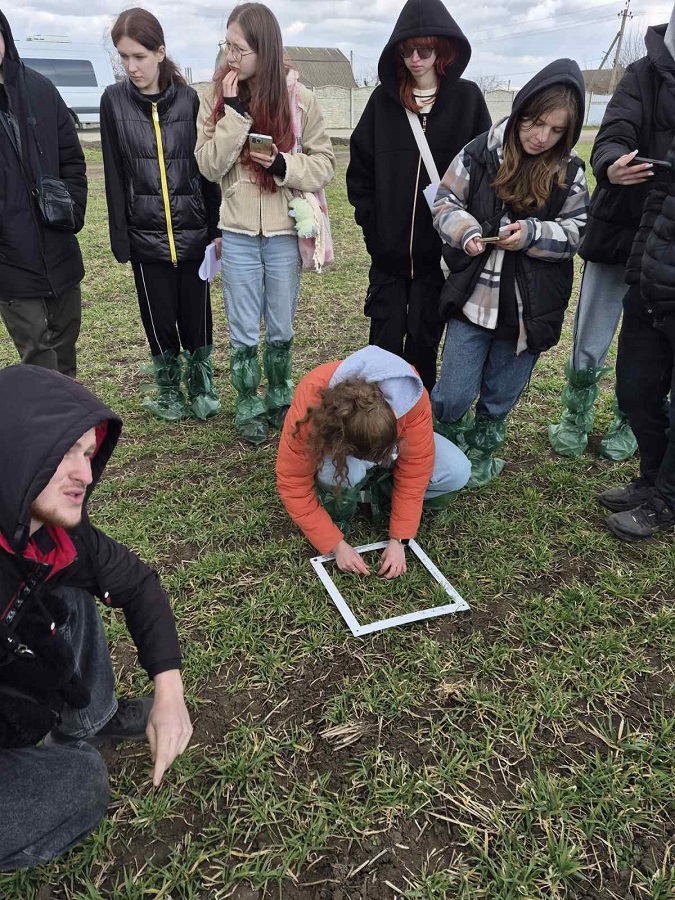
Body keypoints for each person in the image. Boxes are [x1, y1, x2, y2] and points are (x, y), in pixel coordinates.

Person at [0, 365, 193, 870]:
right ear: (15, 449)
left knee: (71, 589)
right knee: (81, 782)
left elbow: (138, 585)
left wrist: (170, 692)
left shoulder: (51, 529)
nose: (86, 475)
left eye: (87, 454)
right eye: (65, 452)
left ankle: (91, 718)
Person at [431, 59, 589, 487]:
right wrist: (466, 231)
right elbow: (444, 202)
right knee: (454, 390)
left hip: (528, 308)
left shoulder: (570, 173)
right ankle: (442, 446)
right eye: (535, 123)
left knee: (502, 389)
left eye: (556, 130)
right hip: (473, 299)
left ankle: (483, 448)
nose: (542, 137)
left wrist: (533, 234)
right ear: (521, 111)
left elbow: (577, 232)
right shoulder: (479, 152)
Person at [195, 2, 335, 444]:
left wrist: (281, 165)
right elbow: (208, 165)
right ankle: (247, 402)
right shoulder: (214, 98)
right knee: (241, 326)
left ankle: (277, 394)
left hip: (283, 232)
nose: (230, 57)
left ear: (266, 50)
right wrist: (234, 114)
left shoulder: (300, 99)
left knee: (280, 325)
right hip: (236, 232)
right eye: (227, 46)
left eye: (240, 49)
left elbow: (325, 164)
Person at [346, 0, 490, 394]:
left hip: (438, 261)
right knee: (382, 348)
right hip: (388, 262)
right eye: (406, 50)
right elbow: (360, 174)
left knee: (425, 346)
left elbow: (484, 177)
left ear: (442, 51)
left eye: (424, 50)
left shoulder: (468, 102)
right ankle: (379, 421)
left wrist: (461, 234)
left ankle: (417, 418)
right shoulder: (382, 103)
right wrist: (373, 231)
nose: (414, 59)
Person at [549, 15, 675, 461]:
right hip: (620, 225)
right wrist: (611, 163)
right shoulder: (641, 74)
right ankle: (575, 414)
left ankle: (630, 421)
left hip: (669, 243)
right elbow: (614, 130)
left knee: (654, 339)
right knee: (592, 329)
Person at [100, 8, 222, 422]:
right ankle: (169, 390)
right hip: (145, 236)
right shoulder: (113, 101)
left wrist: (215, 227)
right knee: (158, 318)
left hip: (193, 231)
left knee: (196, 316)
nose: (131, 67)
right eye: (124, 57)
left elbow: (206, 170)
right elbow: (114, 174)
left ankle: (202, 386)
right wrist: (121, 235)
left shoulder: (189, 101)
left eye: (139, 56)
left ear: (160, 52)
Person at [276, 346, 471, 576]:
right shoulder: (312, 398)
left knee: (456, 470)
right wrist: (335, 545)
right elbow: (293, 482)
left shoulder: (409, 394)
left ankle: (379, 492)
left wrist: (400, 539)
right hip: (339, 440)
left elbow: (416, 469)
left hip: (387, 436)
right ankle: (347, 491)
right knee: (339, 473)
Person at [0, 10, 86, 377]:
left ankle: (69, 411)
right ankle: (50, 413)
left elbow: (72, 158)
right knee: (37, 349)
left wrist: (72, 209)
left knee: (66, 340)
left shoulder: (40, 89)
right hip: (9, 255)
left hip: (57, 241)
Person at [601, 139, 675, 541]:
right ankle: (651, 479)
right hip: (650, 289)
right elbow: (659, 197)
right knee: (634, 393)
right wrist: (639, 270)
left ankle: (667, 501)